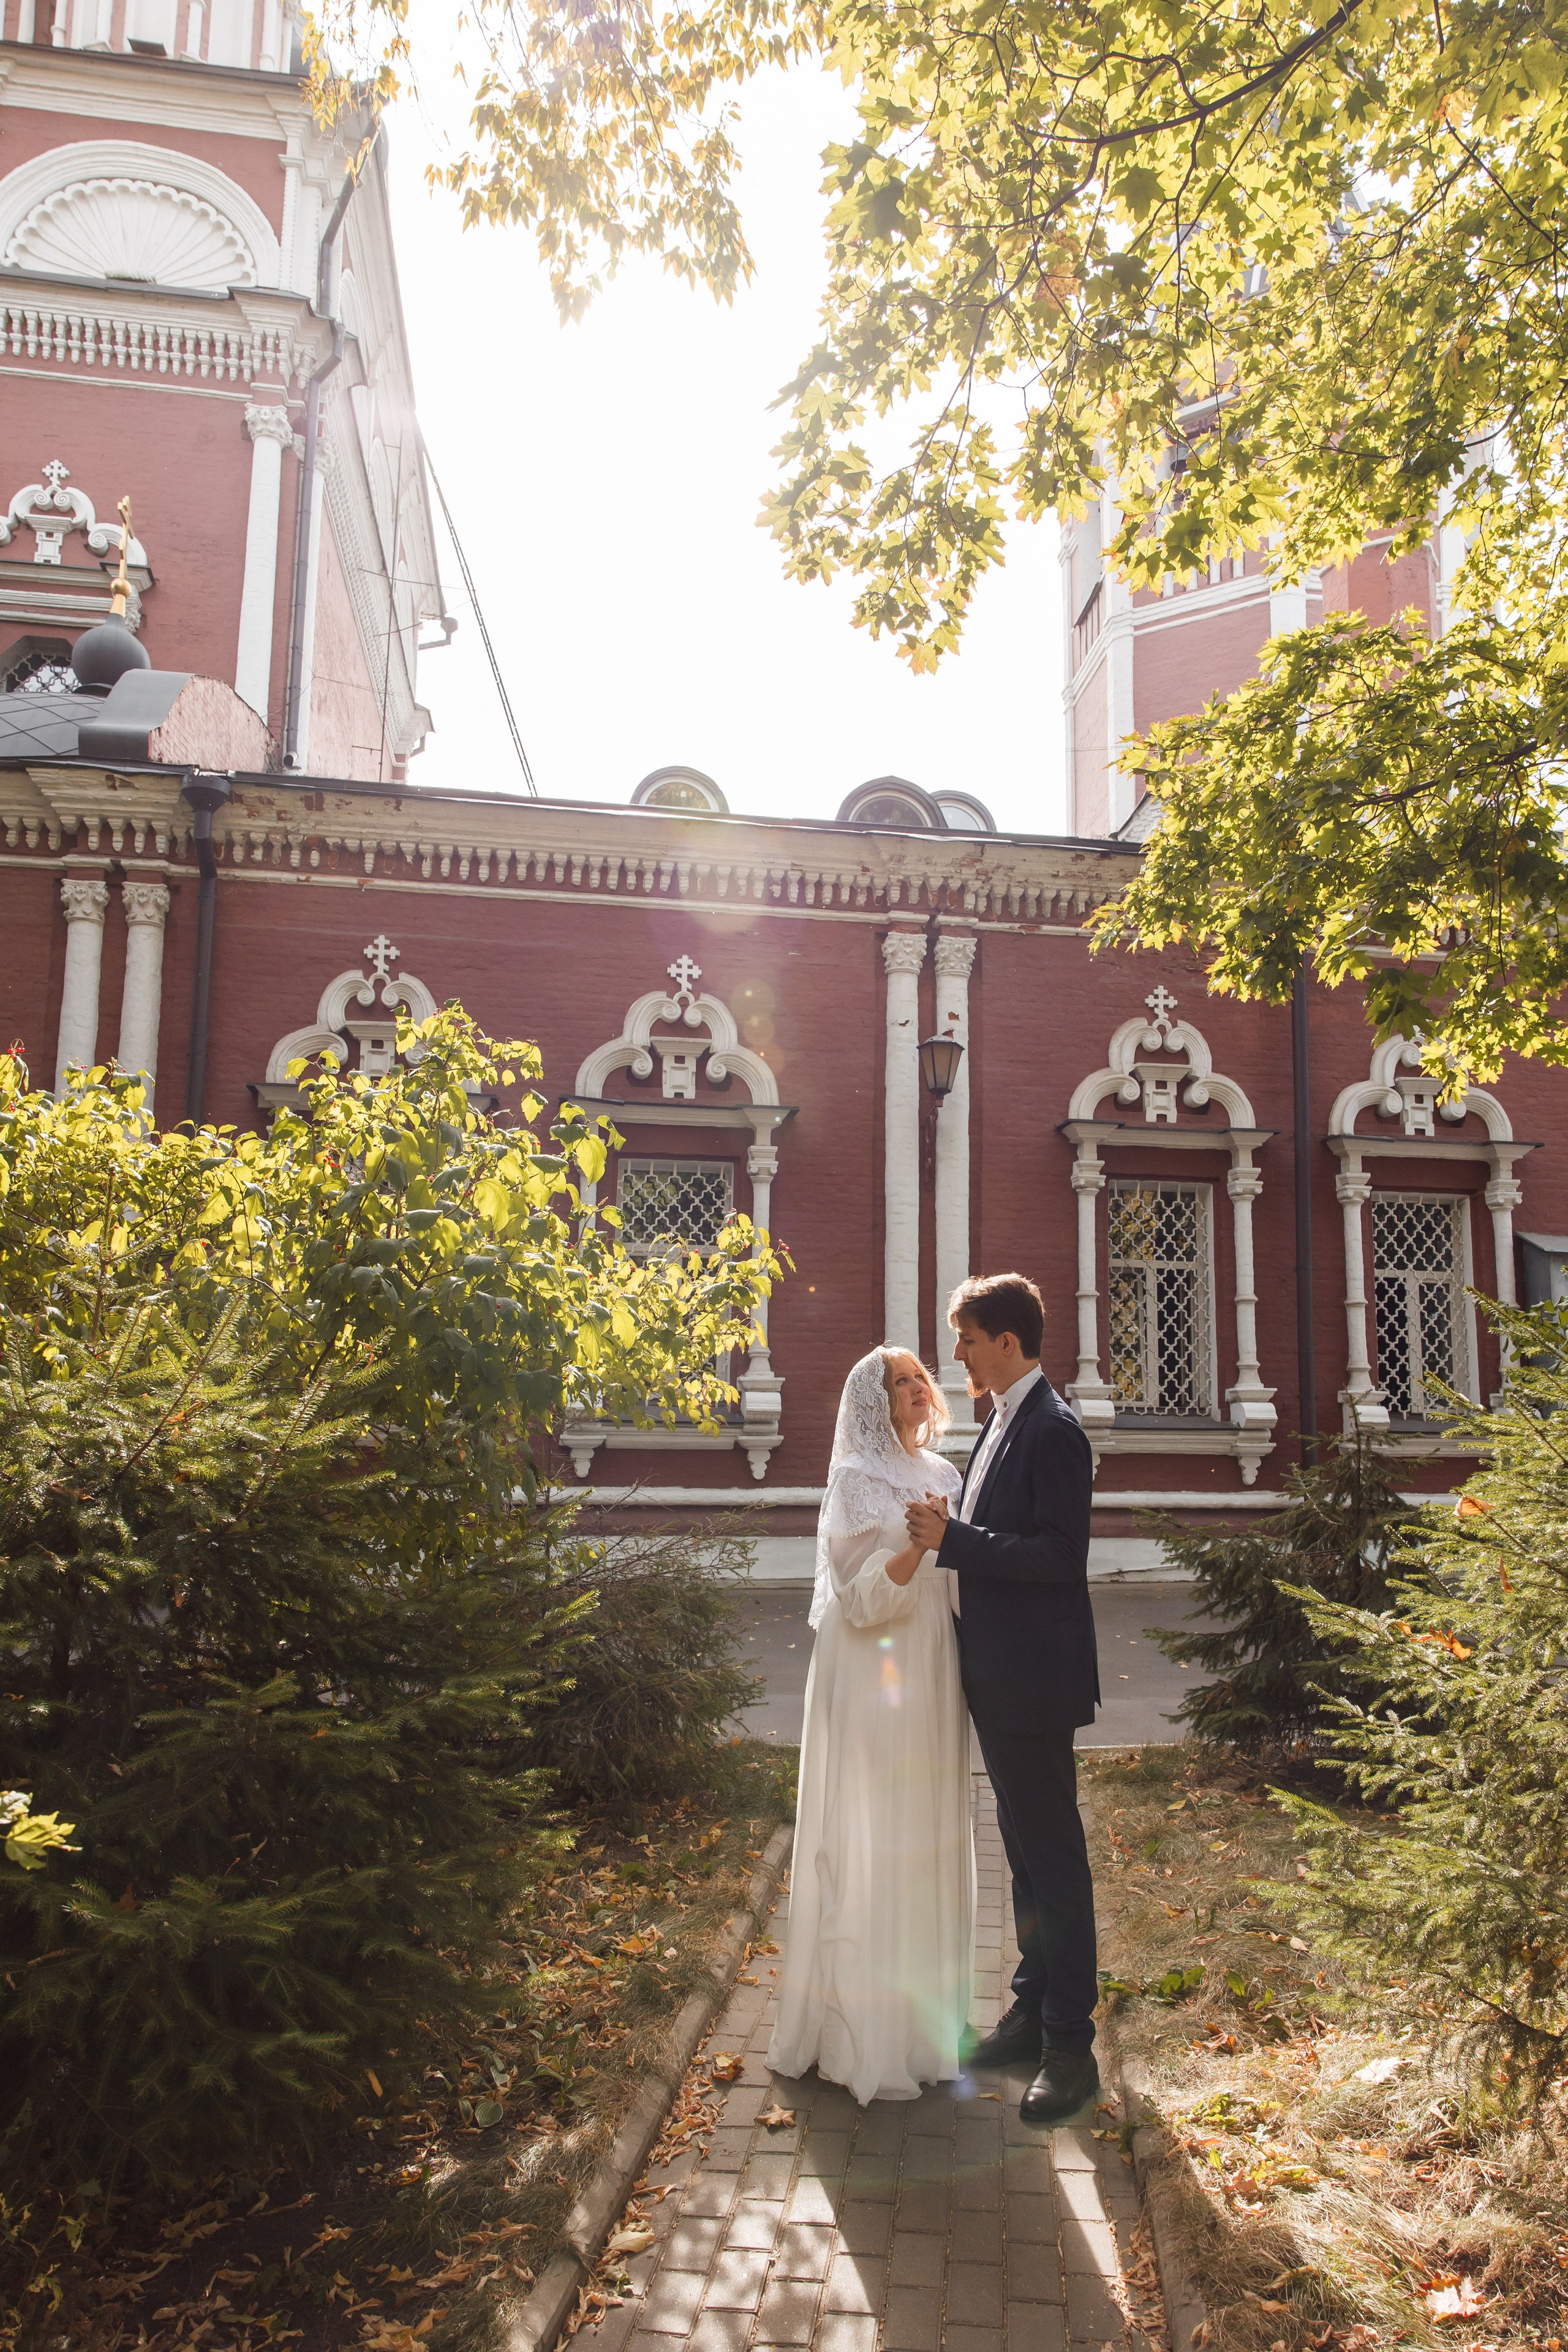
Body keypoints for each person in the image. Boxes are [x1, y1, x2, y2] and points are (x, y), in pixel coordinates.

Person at [904, 1272, 1101, 2127]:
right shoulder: (999, 1421)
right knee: (1024, 1852)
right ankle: (1029, 2015)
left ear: (1008, 1344)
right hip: (997, 1671)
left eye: (969, 1340)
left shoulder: (1054, 1431)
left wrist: (957, 1542)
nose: (958, 1355)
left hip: (1034, 1677)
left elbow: (1059, 1556)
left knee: (1053, 1860)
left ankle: (1071, 2048)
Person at [767, 1348, 973, 2105]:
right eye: (901, 1382)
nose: (918, 1388)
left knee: (928, 1828)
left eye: (921, 1377)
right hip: (873, 1666)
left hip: (932, 1664)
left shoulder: (948, 1476)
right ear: (873, 1401)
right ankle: (858, 2038)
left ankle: (923, 2035)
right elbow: (854, 1600)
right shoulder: (855, 1481)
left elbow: (963, 1577)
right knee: (874, 1829)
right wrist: (917, 1548)